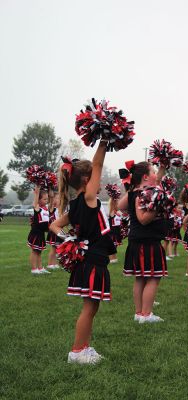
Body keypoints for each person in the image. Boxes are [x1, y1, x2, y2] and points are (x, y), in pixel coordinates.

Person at [50, 140, 116, 364]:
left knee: (92, 307)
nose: (100, 180)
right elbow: (97, 164)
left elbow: (54, 226)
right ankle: (77, 352)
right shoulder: (87, 200)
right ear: (87, 180)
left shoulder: (76, 204)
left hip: (89, 258)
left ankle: (84, 348)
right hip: (92, 260)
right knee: (89, 308)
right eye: (96, 177)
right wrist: (104, 141)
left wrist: (69, 239)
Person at [118, 161, 167, 323]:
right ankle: (146, 315)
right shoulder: (142, 194)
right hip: (147, 242)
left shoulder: (135, 192)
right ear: (146, 177)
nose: (156, 175)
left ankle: (139, 313)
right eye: (153, 172)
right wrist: (157, 207)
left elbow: (120, 205)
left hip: (137, 241)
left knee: (140, 278)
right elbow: (143, 219)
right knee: (153, 277)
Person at [27, 186, 51, 274]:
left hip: (41, 233)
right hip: (36, 232)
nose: (46, 201)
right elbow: (36, 197)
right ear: (39, 200)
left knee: (39, 251)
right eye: (44, 199)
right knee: (34, 250)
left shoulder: (46, 208)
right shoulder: (37, 207)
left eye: (47, 199)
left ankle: (40, 268)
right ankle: (34, 269)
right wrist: (37, 190)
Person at [46, 191, 61, 270]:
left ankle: (55, 264)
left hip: (59, 231)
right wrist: (51, 195)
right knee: (53, 249)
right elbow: (51, 199)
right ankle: (49, 264)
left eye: (59, 198)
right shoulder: (52, 209)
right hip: (53, 232)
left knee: (58, 249)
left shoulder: (60, 209)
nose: (59, 200)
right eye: (57, 198)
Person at [108, 197, 122, 264]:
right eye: (117, 203)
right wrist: (113, 199)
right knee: (112, 246)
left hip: (117, 232)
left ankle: (113, 258)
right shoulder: (112, 212)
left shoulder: (117, 212)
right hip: (112, 233)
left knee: (114, 246)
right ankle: (111, 259)